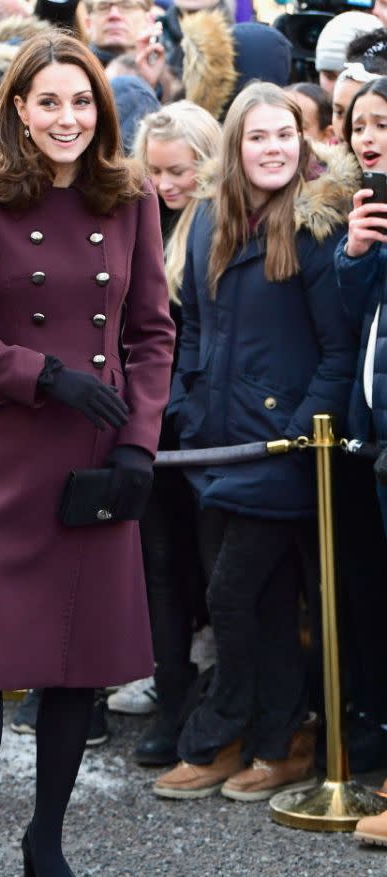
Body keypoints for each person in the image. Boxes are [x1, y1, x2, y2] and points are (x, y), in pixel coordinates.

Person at [0, 29, 174, 877]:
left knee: (78, 665)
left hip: (100, 454)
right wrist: (41, 372)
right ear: (20, 111)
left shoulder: (131, 193)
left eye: (82, 103)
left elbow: (152, 332)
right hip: (6, 455)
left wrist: (139, 441)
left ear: (99, 113)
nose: (67, 118)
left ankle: (47, 842)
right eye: (50, 102)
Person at [153, 82, 358, 802]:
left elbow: (339, 352)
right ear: (236, 148)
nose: (273, 148)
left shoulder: (316, 229)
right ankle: (277, 736)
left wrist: (301, 431)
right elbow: (198, 329)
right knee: (262, 602)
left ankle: (220, 729)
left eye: (284, 137)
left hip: (283, 452)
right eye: (257, 137)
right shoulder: (209, 219)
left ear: (301, 145)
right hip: (215, 445)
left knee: (233, 594)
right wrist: (189, 405)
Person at [113, 100, 221, 766]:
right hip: (148, 421)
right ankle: (172, 691)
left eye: (178, 171)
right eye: (153, 171)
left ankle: (211, 698)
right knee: (155, 565)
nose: (165, 185)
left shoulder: (215, 225)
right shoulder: (133, 218)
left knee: (210, 567)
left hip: (203, 423)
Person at [335, 79, 387, 830]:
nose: (369, 137)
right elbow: (357, 323)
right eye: (359, 126)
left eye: (383, 123)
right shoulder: (367, 211)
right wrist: (355, 252)